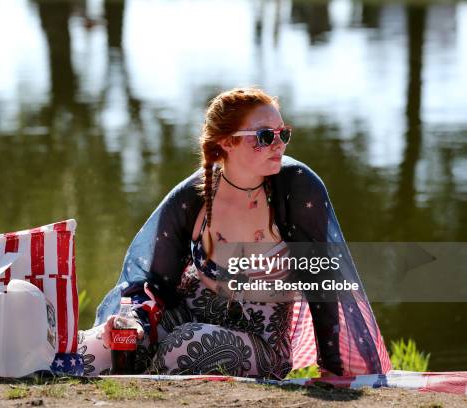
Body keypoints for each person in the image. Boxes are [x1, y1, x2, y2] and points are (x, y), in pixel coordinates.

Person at [78, 87, 391, 378]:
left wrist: (335, 369)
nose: (279, 144)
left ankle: (136, 390)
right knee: (93, 349)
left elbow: (323, 280)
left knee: (185, 345)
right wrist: (132, 325)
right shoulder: (193, 196)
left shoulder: (296, 187)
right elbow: (153, 283)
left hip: (259, 345)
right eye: (265, 136)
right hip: (181, 319)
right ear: (226, 142)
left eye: (284, 134)